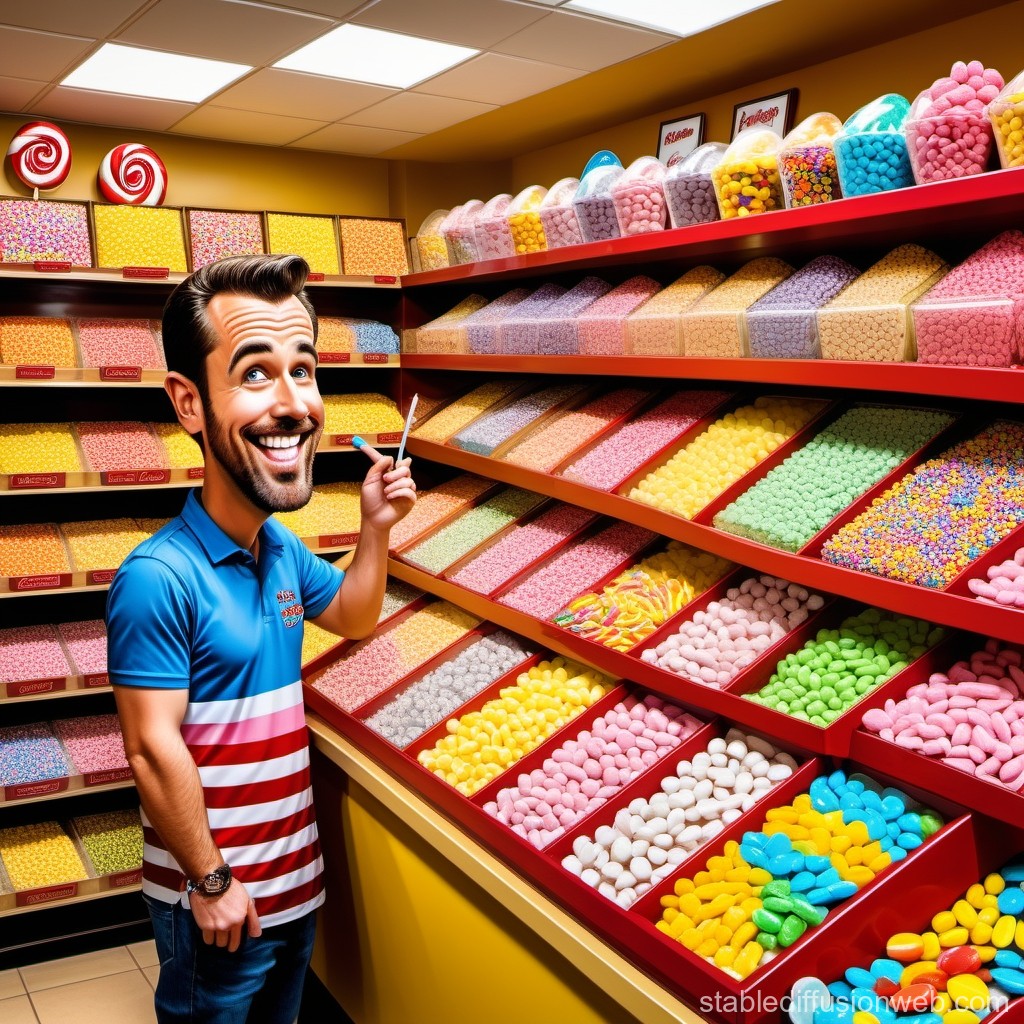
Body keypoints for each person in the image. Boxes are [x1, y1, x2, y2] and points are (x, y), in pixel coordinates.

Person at [106, 253, 416, 1023]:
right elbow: (151, 749)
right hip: (214, 899)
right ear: (187, 402)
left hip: (292, 887)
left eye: (303, 370)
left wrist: (375, 528)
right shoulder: (157, 577)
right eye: (254, 374)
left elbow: (353, 614)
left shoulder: (279, 548)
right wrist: (211, 883)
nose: (294, 403)